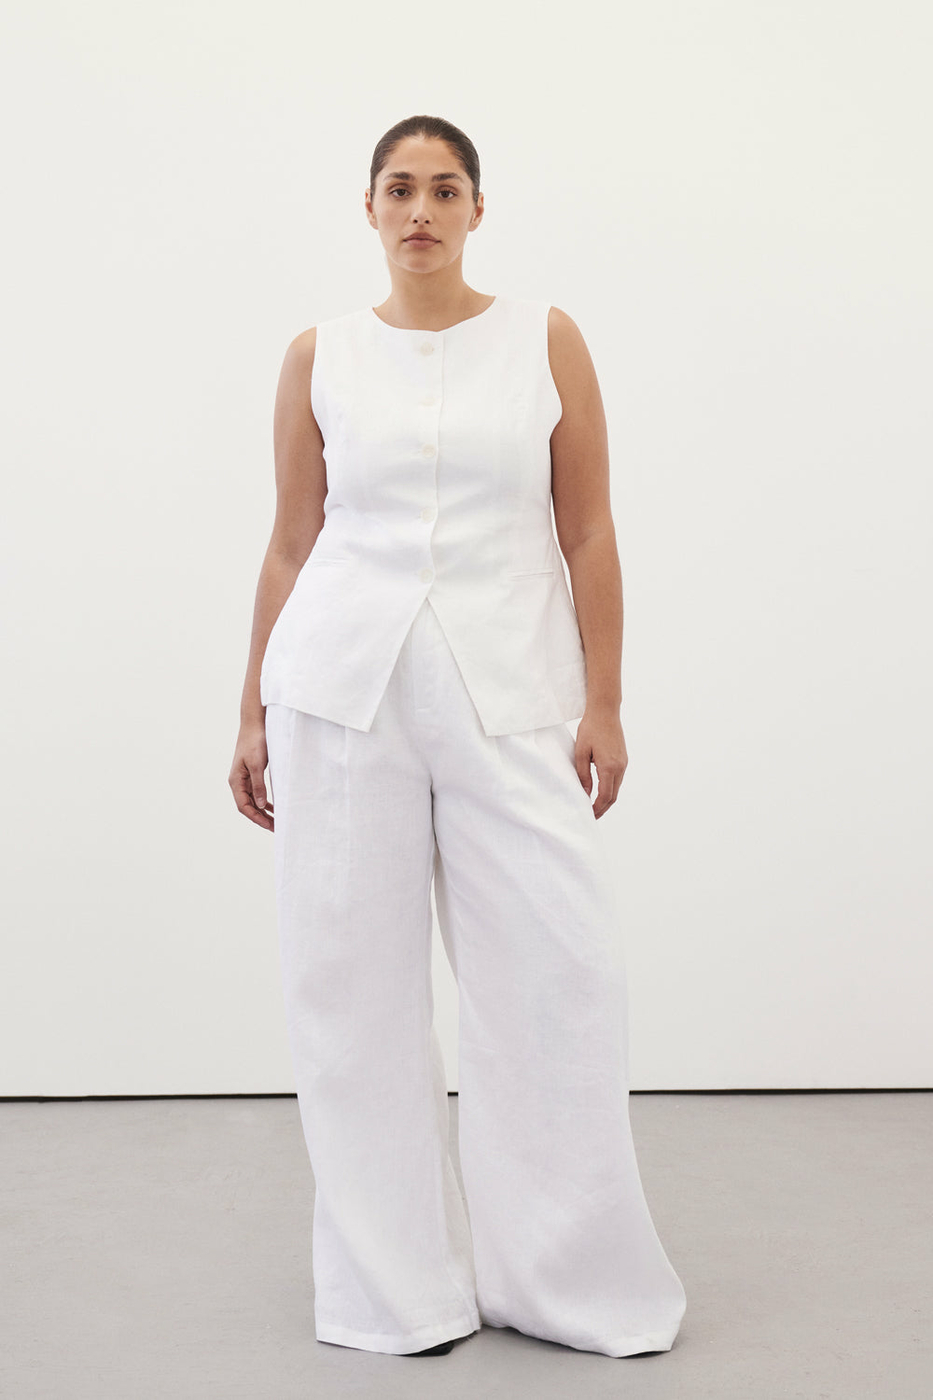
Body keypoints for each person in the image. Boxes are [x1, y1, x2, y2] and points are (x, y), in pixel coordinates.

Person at [228, 114, 687, 1360]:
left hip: (510, 694)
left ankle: (566, 1280)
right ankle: (393, 1290)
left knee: (558, 979)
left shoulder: (545, 339)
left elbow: (587, 530)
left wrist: (605, 701)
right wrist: (251, 707)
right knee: (348, 993)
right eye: (399, 188)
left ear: (479, 208)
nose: (421, 210)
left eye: (444, 189)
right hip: (339, 695)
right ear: (369, 208)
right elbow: (292, 540)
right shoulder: (318, 354)